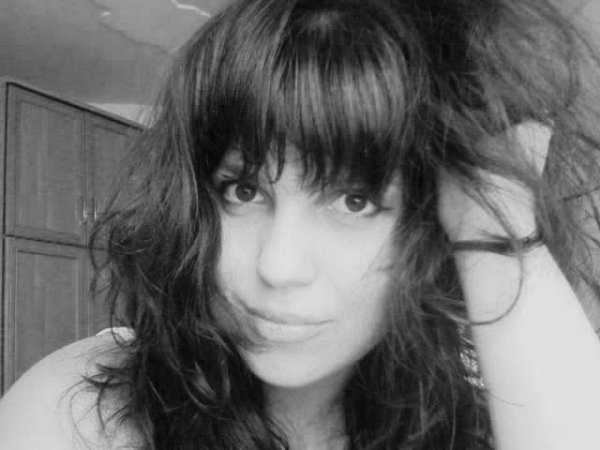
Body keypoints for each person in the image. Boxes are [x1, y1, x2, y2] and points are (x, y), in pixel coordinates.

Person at [2, 0, 600, 448]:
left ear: (427, 227)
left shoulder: (480, 416)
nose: (278, 265)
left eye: (354, 201)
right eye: (243, 191)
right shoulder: (86, 409)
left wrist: (493, 223)